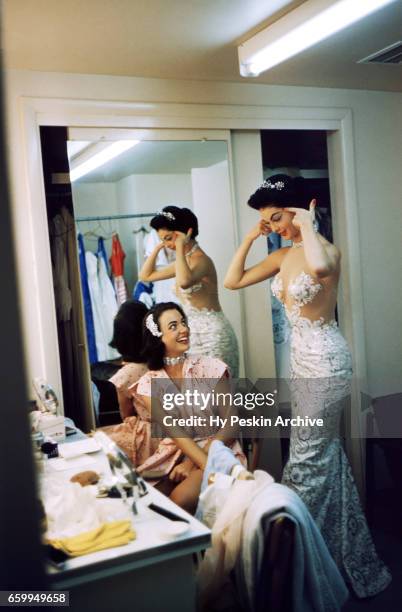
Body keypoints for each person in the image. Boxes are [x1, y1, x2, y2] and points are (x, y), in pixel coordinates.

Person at [224, 174, 391, 598]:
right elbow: (233, 280)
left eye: (277, 216)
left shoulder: (326, 250)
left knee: (304, 461)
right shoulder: (281, 256)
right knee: (325, 455)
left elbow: (318, 268)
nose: (274, 226)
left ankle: (295, 562)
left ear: (303, 207)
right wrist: (249, 237)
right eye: (268, 219)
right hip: (300, 362)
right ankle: (339, 557)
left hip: (328, 361)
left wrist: (309, 224)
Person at [134, 301, 246, 513]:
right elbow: (177, 435)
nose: (184, 329)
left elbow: (231, 425)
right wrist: (188, 462)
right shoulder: (148, 384)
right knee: (140, 503)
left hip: (220, 449)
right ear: (158, 336)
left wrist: (193, 464)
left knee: (178, 500)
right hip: (173, 454)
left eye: (183, 323)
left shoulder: (211, 367)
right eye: (173, 326)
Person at [139, 206, 239, 378]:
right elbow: (145, 275)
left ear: (187, 232)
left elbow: (185, 282)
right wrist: (157, 248)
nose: (168, 245)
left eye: (169, 238)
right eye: (163, 240)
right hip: (190, 334)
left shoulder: (202, 260)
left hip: (213, 335)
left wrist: (178, 246)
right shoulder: (183, 261)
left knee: (218, 394)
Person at [101, 299, 181, 474]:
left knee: (99, 445)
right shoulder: (166, 362)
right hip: (174, 432)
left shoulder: (125, 376)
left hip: (151, 437)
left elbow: (127, 416)